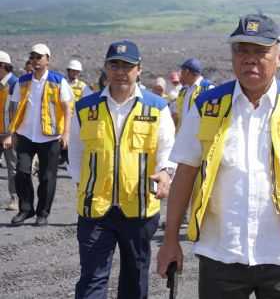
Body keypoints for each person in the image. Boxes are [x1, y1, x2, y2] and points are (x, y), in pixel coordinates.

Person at [157, 14, 280, 298]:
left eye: (260, 51)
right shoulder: (208, 106)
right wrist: (169, 241)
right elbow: (185, 174)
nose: (249, 58)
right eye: (242, 50)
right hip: (221, 254)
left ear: (279, 57)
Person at [68, 40, 175, 299]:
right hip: (96, 211)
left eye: (127, 66)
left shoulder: (156, 107)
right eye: (114, 64)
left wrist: (165, 172)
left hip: (138, 211)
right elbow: (76, 154)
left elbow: (168, 151)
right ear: (106, 67)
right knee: (92, 280)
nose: (120, 71)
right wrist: (87, 186)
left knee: (134, 279)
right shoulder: (86, 107)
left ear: (138, 69)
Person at [4, 44, 73, 226]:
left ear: (47, 60)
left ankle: (43, 212)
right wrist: (11, 133)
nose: (35, 60)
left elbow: (67, 109)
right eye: (32, 57)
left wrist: (66, 133)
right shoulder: (23, 81)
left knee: (47, 177)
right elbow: (15, 108)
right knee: (22, 172)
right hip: (26, 135)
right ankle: (26, 209)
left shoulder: (58, 81)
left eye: (39, 57)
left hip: (50, 136)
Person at [0, 51, 19, 211]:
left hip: (9, 133)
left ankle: (15, 198)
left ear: (3, 66)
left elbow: (18, 112)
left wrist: (11, 133)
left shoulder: (15, 84)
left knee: (13, 167)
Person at [173, 58, 213, 133]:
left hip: (198, 138)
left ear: (187, 72)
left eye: (182, 71)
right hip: (183, 135)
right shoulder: (183, 91)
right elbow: (177, 113)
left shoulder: (208, 89)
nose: (180, 74)